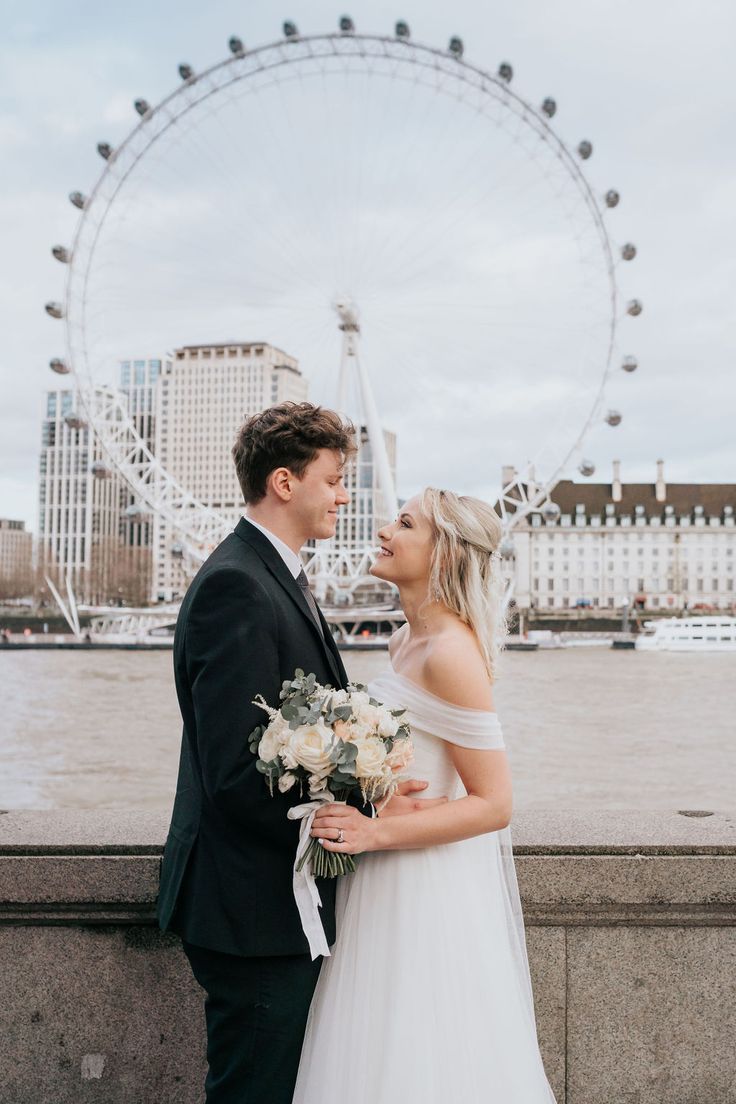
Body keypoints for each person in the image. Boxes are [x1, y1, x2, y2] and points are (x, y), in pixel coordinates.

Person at [156, 402, 440, 1104]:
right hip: (251, 908)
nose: (346, 494)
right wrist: (352, 819)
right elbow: (235, 772)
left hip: (266, 904)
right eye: (336, 478)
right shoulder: (238, 586)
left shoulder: (270, 575)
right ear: (285, 482)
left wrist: (372, 792)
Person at [293, 488, 557, 1103]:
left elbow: (495, 803)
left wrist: (374, 831)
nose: (385, 530)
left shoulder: (450, 653)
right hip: (381, 876)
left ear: (444, 554)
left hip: (426, 885)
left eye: (405, 524)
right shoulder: (403, 642)